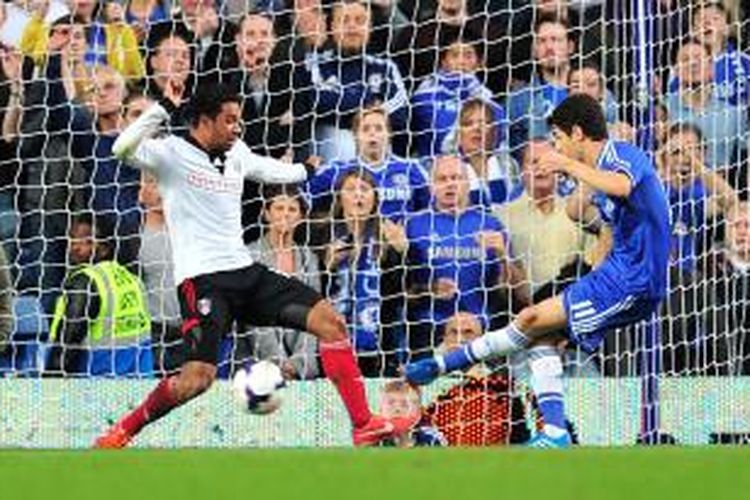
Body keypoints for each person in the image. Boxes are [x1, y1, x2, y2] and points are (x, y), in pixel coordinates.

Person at [95, 82, 414, 448]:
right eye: (229, 120)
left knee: (331, 322)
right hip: (204, 282)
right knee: (197, 379)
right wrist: (164, 105)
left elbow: (266, 169)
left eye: (239, 120)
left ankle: (363, 425)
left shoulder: (237, 153)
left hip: (246, 273)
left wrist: (304, 172)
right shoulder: (170, 154)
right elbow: (122, 147)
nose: (236, 127)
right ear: (204, 120)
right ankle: (121, 432)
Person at [404, 94, 671, 448]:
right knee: (538, 332)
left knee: (530, 320)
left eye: (558, 138)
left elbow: (623, 185)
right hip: (618, 275)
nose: (555, 147)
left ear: (577, 133)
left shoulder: (621, 154)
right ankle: (554, 432)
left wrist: (568, 164)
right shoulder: (599, 175)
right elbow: (592, 216)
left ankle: (443, 364)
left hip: (633, 281)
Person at [404, 155, 528, 359]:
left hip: (482, 333)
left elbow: (518, 292)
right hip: (430, 332)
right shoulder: (414, 226)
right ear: (431, 186)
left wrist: (503, 255)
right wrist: (429, 289)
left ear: (468, 183)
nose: (450, 184)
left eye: (456, 177)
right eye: (442, 179)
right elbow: (399, 291)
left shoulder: (490, 224)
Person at [321, 170, 408, 376]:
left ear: (375, 198)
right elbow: (312, 290)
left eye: (365, 189)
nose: (358, 195)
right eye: (351, 189)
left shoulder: (389, 236)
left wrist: (402, 253)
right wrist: (327, 266)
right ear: (340, 198)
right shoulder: (320, 234)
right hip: (330, 344)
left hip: (378, 348)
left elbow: (400, 296)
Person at [45, 214, 153, 377]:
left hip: (96, 388)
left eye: (86, 241)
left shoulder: (86, 282)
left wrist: (49, 385)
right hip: (140, 386)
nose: (75, 246)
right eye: (73, 238)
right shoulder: (133, 279)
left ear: (104, 247)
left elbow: (68, 341)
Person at [243, 185, 321, 380]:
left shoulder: (308, 258)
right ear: (266, 214)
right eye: (279, 208)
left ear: (301, 217)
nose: (285, 214)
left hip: (300, 367)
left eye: (292, 209)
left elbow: (315, 313)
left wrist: (298, 363)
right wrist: (277, 362)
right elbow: (252, 318)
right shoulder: (248, 255)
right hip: (257, 365)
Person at [307, 105, 429, 222]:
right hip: (354, 240)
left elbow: (431, 208)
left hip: (402, 240)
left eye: (379, 128)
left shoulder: (411, 168)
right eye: (365, 129)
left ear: (389, 134)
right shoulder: (338, 169)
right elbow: (302, 197)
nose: (372, 133)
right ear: (355, 136)